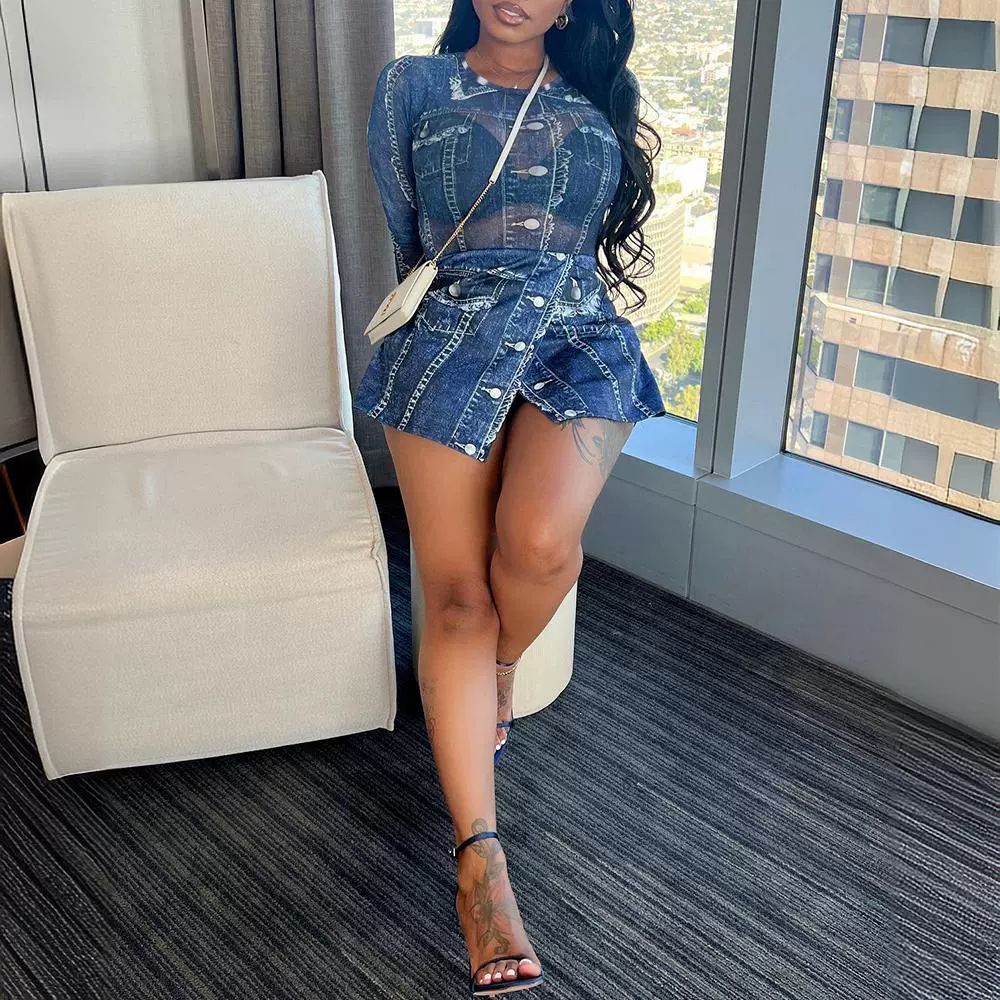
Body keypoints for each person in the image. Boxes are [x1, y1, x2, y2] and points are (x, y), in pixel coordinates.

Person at [356, 0, 664, 993]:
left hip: (579, 340)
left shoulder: (601, 97)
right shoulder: (412, 86)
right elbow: (411, 233)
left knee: (538, 544)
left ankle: (495, 668)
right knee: (453, 591)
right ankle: (480, 862)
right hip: (451, 334)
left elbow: (589, 239)